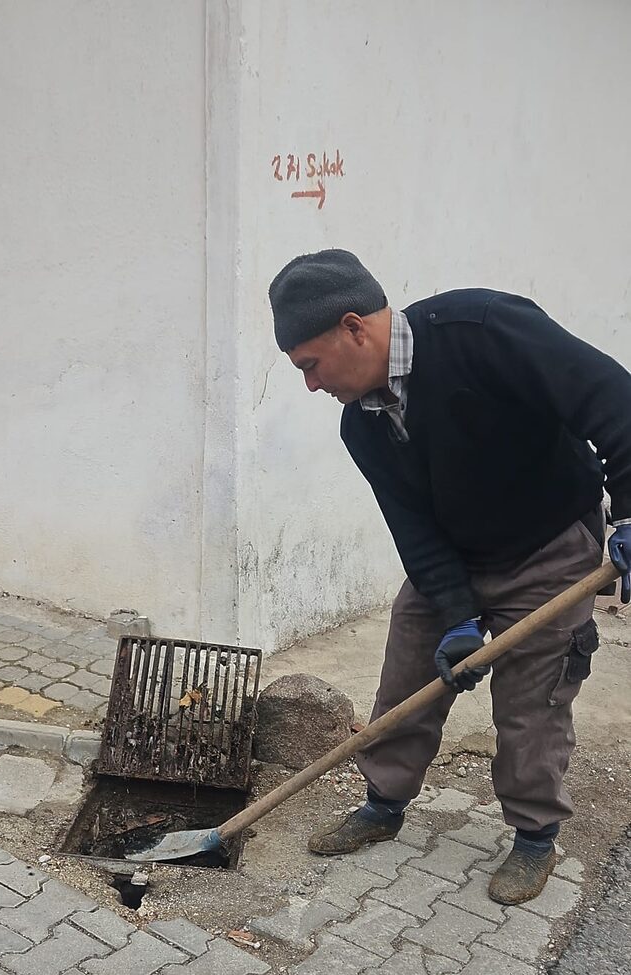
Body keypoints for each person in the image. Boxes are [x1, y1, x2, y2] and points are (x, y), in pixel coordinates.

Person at [268, 250, 631, 904]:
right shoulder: (363, 425)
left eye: (309, 365)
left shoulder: (484, 331)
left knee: (533, 704)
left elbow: (614, 401)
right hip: (456, 560)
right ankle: (383, 804)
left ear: (354, 327)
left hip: (547, 550)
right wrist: (458, 614)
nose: (311, 387)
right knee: (407, 673)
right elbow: (415, 532)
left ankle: (534, 836)